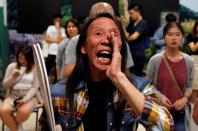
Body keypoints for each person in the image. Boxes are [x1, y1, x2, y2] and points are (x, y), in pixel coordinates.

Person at [39, 13, 174, 131]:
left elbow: (165, 126)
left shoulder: (140, 88)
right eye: (98, 33)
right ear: (84, 47)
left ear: (121, 48)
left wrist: (119, 78)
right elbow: (44, 126)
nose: (107, 40)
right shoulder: (59, 92)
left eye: (115, 35)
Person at [63, 2, 134, 78]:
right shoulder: (76, 41)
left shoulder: (120, 42)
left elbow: (126, 72)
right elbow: (67, 73)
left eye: (108, 17)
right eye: (98, 34)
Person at [147, 22, 194, 131]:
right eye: (170, 34)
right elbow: (148, 86)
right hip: (159, 112)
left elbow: (189, 85)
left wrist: (184, 98)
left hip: (180, 112)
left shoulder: (189, 61)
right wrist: (160, 97)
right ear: (164, 37)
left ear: (182, 37)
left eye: (177, 34)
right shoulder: (155, 60)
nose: (174, 38)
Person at [0, 45, 39, 131]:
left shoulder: (35, 68)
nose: (22, 61)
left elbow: (34, 87)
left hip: (29, 96)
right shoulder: (12, 66)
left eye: (26, 59)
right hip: (13, 95)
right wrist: (13, 77)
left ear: (31, 59)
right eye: (20, 58)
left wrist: (25, 99)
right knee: (3, 111)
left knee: (23, 112)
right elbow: (5, 85)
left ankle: (11, 125)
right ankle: (16, 128)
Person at [122, 3, 149, 77]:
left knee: (137, 76)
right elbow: (126, 35)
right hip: (131, 54)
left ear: (138, 11)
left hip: (138, 54)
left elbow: (133, 37)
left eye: (131, 13)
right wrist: (124, 27)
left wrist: (124, 29)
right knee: (131, 75)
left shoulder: (143, 23)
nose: (131, 15)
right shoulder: (132, 23)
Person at [44, 13, 66, 82]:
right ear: (54, 20)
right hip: (50, 52)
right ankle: (43, 83)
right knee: (46, 69)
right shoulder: (50, 27)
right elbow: (47, 39)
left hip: (59, 53)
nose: (58, 22)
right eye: (57, 20)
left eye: (59, 20)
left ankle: (57, 84)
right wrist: (56, 41)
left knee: (58, 70)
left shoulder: (63, 29)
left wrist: (58, 29)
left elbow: (60, 40)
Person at [187, 20, 198, 102]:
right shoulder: (191, 36)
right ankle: (192, 106)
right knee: (194, 86)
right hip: (194, 60)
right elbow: (193, 48)